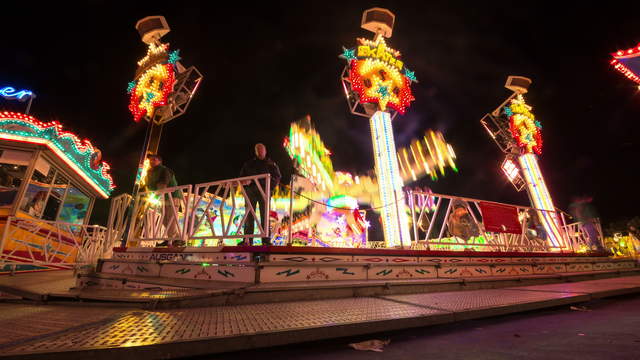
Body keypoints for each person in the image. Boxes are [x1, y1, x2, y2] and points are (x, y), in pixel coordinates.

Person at [239, 143, 281, 246]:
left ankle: (266, 241)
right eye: (258, 149)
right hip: (251, 192)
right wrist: (245, 183)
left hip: (264, 193)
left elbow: (277, 177)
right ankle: (247, 240)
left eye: (262, 149)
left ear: (265, 151)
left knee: (265, 216)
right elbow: (241, 178)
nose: (260, 151)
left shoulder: (271, 164)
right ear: (255, 151)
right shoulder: (248, 164)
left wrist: (269, 188)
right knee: (249, 216)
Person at [144, 154, 184, 247]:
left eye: (154, 159)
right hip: (164, 197)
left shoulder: (164, 170)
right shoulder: (151, 172)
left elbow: (163, 183)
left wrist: (156, 195)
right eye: (150, 160)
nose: (151, 161)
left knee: (170, 218)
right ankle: (175, 238)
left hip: (172, 196)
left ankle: (173, 239)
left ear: (159, 161)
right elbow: (150, 186)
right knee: (164, 220)